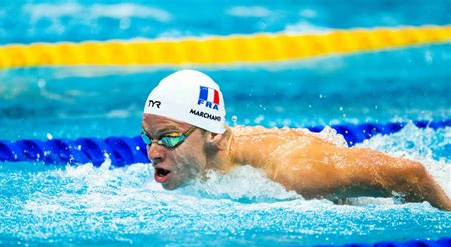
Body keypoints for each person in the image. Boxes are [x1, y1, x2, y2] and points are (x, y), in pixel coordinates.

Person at [141, 70, 451, 211]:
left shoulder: (295, 172)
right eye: (148, 138)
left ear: (213, 135)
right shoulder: (208, 156)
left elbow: (411, 173)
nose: (153, 152)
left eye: (168, 138)